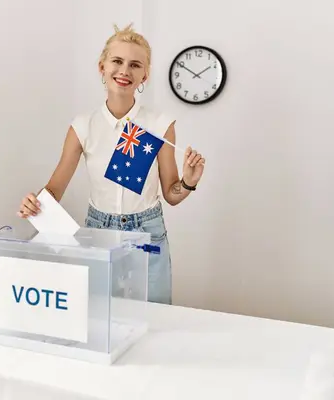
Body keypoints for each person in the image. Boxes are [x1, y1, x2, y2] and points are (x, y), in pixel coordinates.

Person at [17, 23, 205, 305]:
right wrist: (35, 203)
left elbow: (172, 194)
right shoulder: (82, 126)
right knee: (100, 312)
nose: (124, 71)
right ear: (102, 67)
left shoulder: (159, 125)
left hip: (147, 232)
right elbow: (55, 189)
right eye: (117, 61)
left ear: (145, 75)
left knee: (154, 315)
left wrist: (189, 181)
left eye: (135, 65)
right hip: (99, 231)